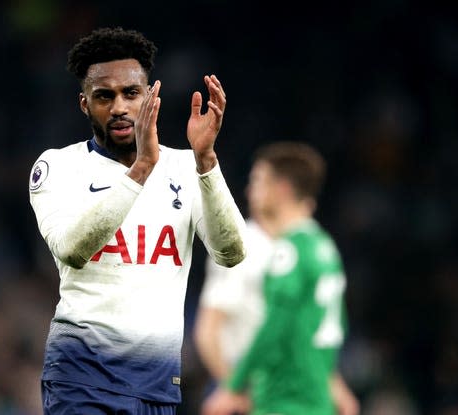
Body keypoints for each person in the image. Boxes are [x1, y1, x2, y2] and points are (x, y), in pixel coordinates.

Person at [28, 27, 247, 414]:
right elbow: (72, 250)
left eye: (130, 93)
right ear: (84, 104)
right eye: (104, 96)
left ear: (150, 95)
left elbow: (231, 253)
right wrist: (143, 168)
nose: (119, 107)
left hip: (156, 384)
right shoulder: (58, 166)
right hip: (82, 377)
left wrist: (207, 162)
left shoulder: (186, 166)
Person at [201, 141, 358, 415]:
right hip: (314, 392)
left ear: (282, 189)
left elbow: (275, 325)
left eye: (259, 181)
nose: (250, 190)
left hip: (282, 393)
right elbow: (331, 325)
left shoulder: (289, 250)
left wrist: (232, 387)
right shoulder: (323, 245)